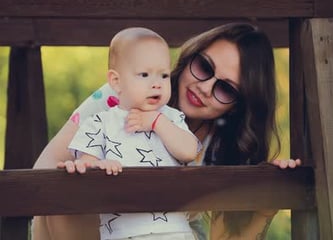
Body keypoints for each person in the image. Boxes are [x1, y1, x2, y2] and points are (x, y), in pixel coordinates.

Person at [32, 23, 301, 240]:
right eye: (204, 67)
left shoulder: (224, 145)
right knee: (67, 191)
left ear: (237, 106)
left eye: (225, 89)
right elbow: (42, 176)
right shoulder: (122, 98)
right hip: (96, 227)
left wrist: (266, 200)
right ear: (188, 58)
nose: (205, 88)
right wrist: (91, 169)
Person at [65, 27, 199, 239]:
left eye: (164, 75)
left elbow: (189, 151)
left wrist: (157, 122)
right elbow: (85, 164)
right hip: (124, 233)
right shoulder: (101, 122)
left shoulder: (171, 118)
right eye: (144, 74)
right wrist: (98, 165)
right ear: (116, 81)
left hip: (174, 230)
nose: (157, 83)